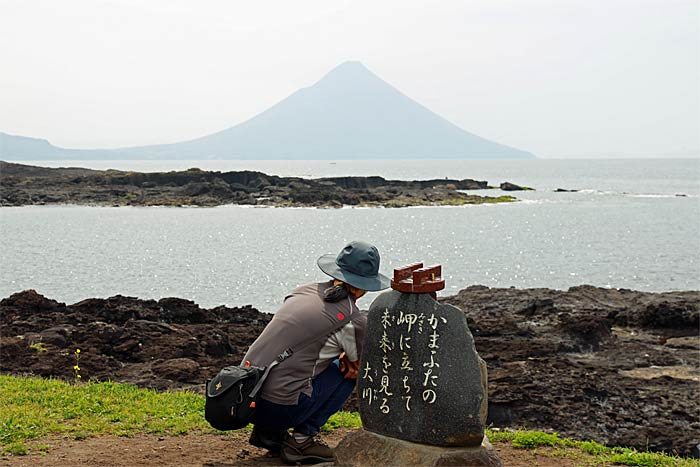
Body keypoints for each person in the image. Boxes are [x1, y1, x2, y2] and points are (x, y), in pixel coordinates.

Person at [242, 240, 390, 465]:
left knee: (292, 370)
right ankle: (301, 441)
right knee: (343, 375)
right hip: (278, 408)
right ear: (365, 285)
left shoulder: (302, 290)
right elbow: (356, 367)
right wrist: (347, 359)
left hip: (246, 398)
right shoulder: (353, 318)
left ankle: (268, 434)